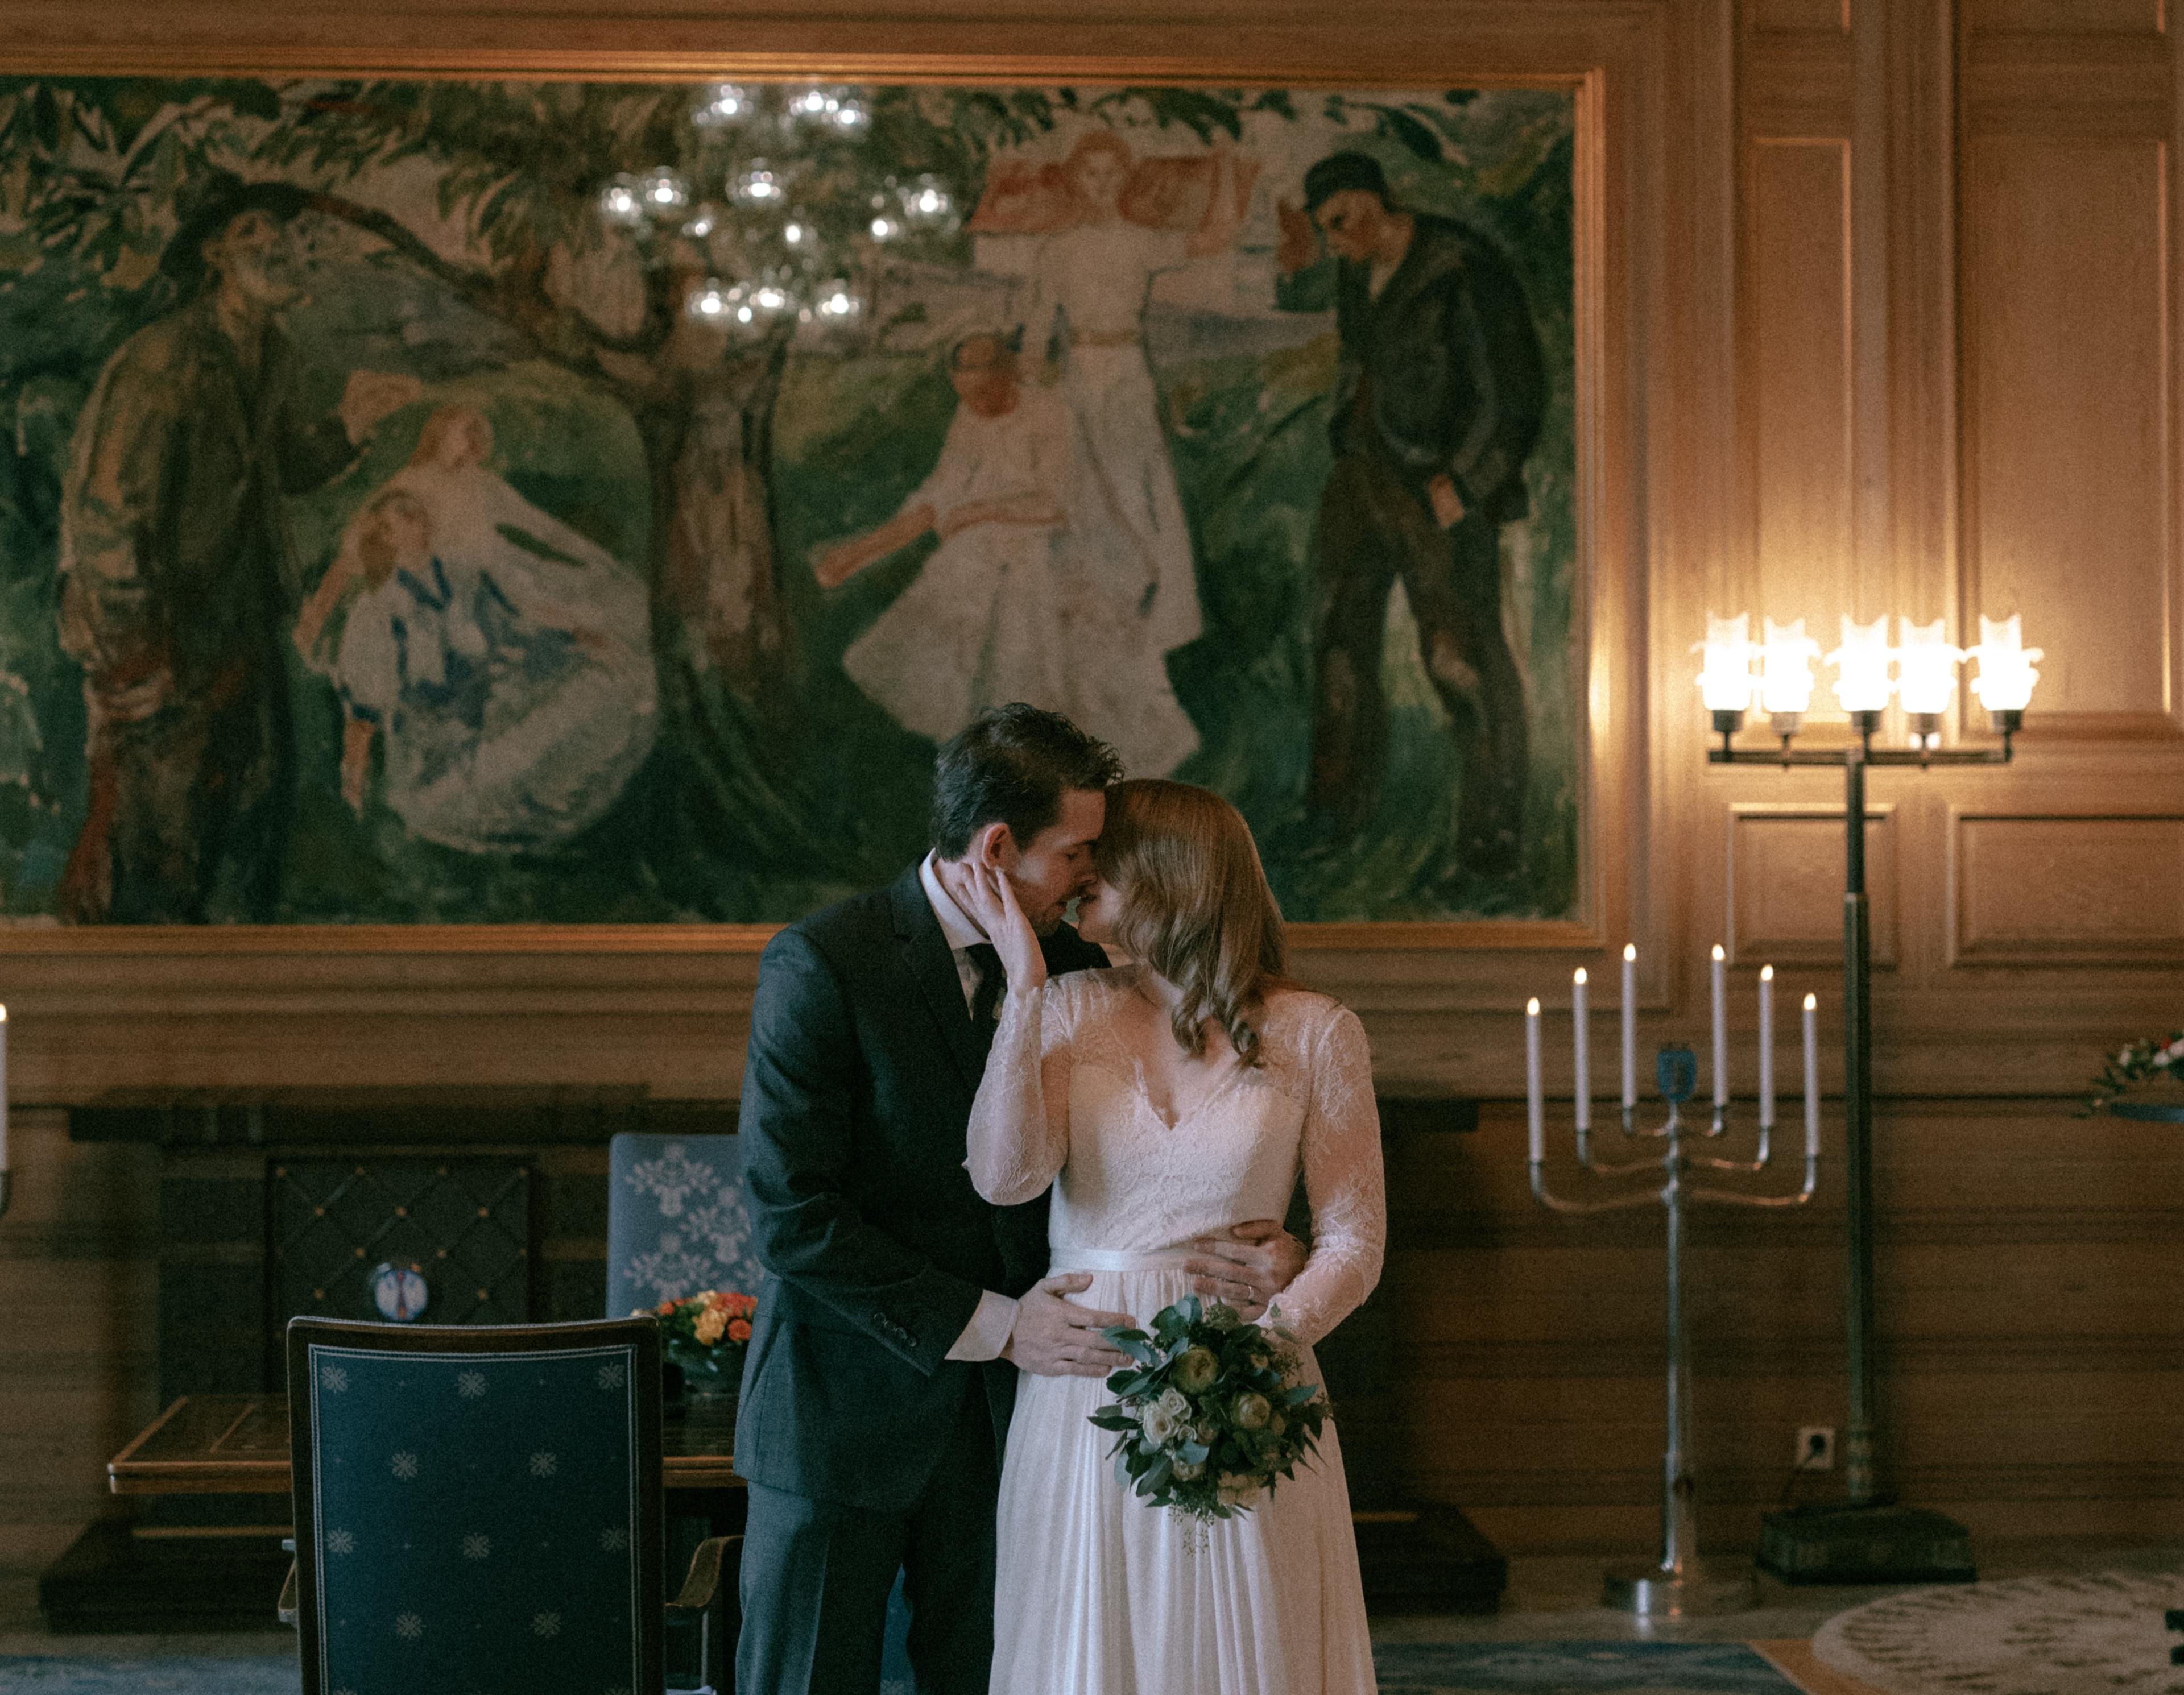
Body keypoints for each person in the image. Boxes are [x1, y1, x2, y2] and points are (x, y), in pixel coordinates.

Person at [733, 704, 1307, 1695]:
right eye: (1077, 853)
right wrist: (996, 1326)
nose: (1092, 877)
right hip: (842, 1419)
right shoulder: (825, 963)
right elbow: (793, 1214)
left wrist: (1275, 1250)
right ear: (997, 847)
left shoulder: (1093, 970)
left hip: (1027, 1427)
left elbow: (1166, 1149)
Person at [962, 776, 1384, 1694]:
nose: (1076, 875)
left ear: (1169, 871)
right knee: (1091, 1644)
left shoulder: (1317, 1033)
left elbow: (1355, 1239)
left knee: (1249, 1638)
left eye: (1097, 860)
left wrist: (1261, 1352)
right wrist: (1025, 989)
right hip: (1087, 1371)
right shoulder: (1065, 1007)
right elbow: (1005, 1178)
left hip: (1245, 1378)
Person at [54, 172, 422, 922]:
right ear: (216, 253)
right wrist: (135, 658)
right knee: (156, 846)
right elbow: (107, 518)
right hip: (166, 642)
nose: (277, 245)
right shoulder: (164, 362)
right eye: (254, 231)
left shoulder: (268, 351)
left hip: (239, 629)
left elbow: (274, 464)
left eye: (283, 232)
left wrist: (350, 425)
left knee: (246, 822)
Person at [1276, 150, 1546, 877]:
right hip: (1362, 477)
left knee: (1457, 656)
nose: (1334, 242)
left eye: (1339, 223)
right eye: (1326, 231)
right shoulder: (1354, 267)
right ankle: (1334, 812)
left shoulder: (1463, 264)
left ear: (1369, 203)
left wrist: (1467, 481)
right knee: (1335, 636)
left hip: (1439, 487)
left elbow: (1516, 392)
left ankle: (1491, 845)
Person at [295, 402, 657, 852]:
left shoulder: (472, 535)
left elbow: (538, 542)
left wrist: (581, 607)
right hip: (438, 731)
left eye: (475, 434)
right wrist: (315, 617)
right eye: (460, 432)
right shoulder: (384, 594)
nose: (468, 443)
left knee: (591, 657)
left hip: (491, 623)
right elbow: (364, 712)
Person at [1014, 130, 1248, 776]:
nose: (1099, 186)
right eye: (1088, 176)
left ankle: (1145, 655)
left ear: (1124, 181)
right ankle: (1079, 671)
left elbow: (1215, 236)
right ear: (1074, 181)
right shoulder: (1056, 249)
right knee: (1079, 509)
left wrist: (1226, 167)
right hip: (1077, 379)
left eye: (1110, 175)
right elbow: (1036, 327)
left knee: (1137, 504)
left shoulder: (1140, 242)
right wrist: (1032, 400)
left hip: (1126, 375)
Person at [820, 335, 1075, 743]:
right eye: (966, 391)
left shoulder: (1048, 412)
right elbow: (940, 495)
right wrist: (858, 553)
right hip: (982, 533)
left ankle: (1009, 723)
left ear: (1008, 372)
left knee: (985, 563)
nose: (977, 403)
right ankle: (956, 722)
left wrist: (978, 512)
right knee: (966, 559)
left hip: (1046, 530)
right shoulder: (970, 414)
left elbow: (1059, 502)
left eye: (985, 389)